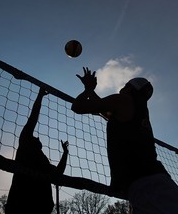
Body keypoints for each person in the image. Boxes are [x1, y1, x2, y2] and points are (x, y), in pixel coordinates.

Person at [71, 67, 178, 213]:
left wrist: (88, 89)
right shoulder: (138, 110)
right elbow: (103, 107)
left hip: (146, 184)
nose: (122, 87)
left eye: (126, 85)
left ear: (130, 88)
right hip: (152, 182)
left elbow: (78, 107)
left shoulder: (123, 100)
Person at [5, 88, 69, 214]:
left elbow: (58, 173)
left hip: (42, 207)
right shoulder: (25, 146)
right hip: (21, 205)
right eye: (35, 137)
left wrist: (65, 153)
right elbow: (32, 119)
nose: (38, 136)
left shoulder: (43, 160)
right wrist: (40, 97)